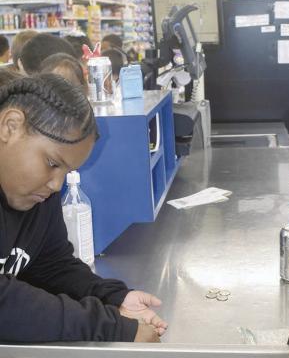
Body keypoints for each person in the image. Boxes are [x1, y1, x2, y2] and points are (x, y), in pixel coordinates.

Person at [0, 71, 167, 342]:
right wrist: (112, 326)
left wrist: (114, 297)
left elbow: (50, 263)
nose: (56, 185)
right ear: (10, 126)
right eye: (53, 163)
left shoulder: (39, 195)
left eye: (67, 172)